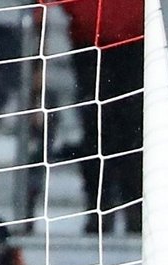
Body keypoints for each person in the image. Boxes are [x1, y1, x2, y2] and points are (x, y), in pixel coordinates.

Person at [56, 0, 145, 234]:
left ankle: (133, 205)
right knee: (98, 129)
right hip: (91, 40)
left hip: (137, 39)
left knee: (132, 129)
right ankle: (100, 207)